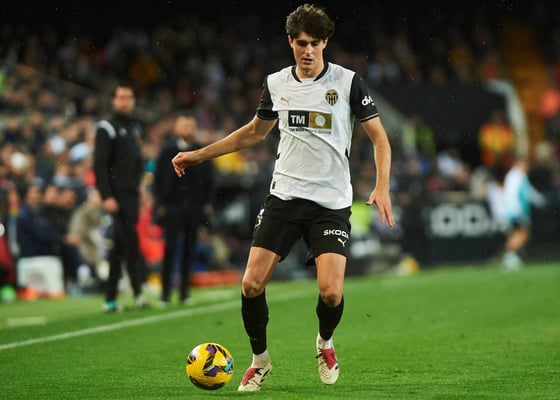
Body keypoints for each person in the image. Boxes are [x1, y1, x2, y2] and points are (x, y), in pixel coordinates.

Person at [171, 3, 395, 391]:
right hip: (285, 197)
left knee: (331, 292)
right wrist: (199, 155)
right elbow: (254, 132)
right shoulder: (277, 83)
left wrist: (382, 185)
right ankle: (260, 361)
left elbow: (380, 139)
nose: (308, 51)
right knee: (251, 285)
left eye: (315, 43)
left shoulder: (347, 83)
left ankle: (325, 342)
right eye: (301, 43)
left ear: (325, 43)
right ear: (290, 42)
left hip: (331, 203)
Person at [93, 82, 148, 312]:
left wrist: (140, 187)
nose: (125, 101)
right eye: (121, 97)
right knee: (130, 243)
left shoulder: (134, 128)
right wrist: (106, 195)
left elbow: (138, 162)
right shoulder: (106, 128)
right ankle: (138, 292)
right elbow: (100, 164)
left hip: (131, 196)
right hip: (116, 196)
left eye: (129, 97)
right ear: (114, 100)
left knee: (119, 247)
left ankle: (110, 299)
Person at [153, 115, 215, 307]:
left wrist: (207, 202)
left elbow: (210, 179)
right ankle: (165, 294)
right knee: (169, 250)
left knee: (189, 250)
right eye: (183, 125)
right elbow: (158, 179)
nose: (187, 128)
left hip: (193, 207)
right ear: (176, 127)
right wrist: (160, 203)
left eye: (190, 125)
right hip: (173, 206)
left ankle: (184, 292)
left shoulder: (200, 151)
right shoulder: (167, 150)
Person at [501, 156, 547, 269]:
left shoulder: (512, 176)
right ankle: (509, 256)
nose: (527, 167)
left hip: (512, 211)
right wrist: (541, 201)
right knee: (523, 234)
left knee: (516, 234)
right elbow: (525, 193)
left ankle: (510, 257)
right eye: (525, 165)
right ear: (519, 164)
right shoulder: (518, 176)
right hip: (517, 211)